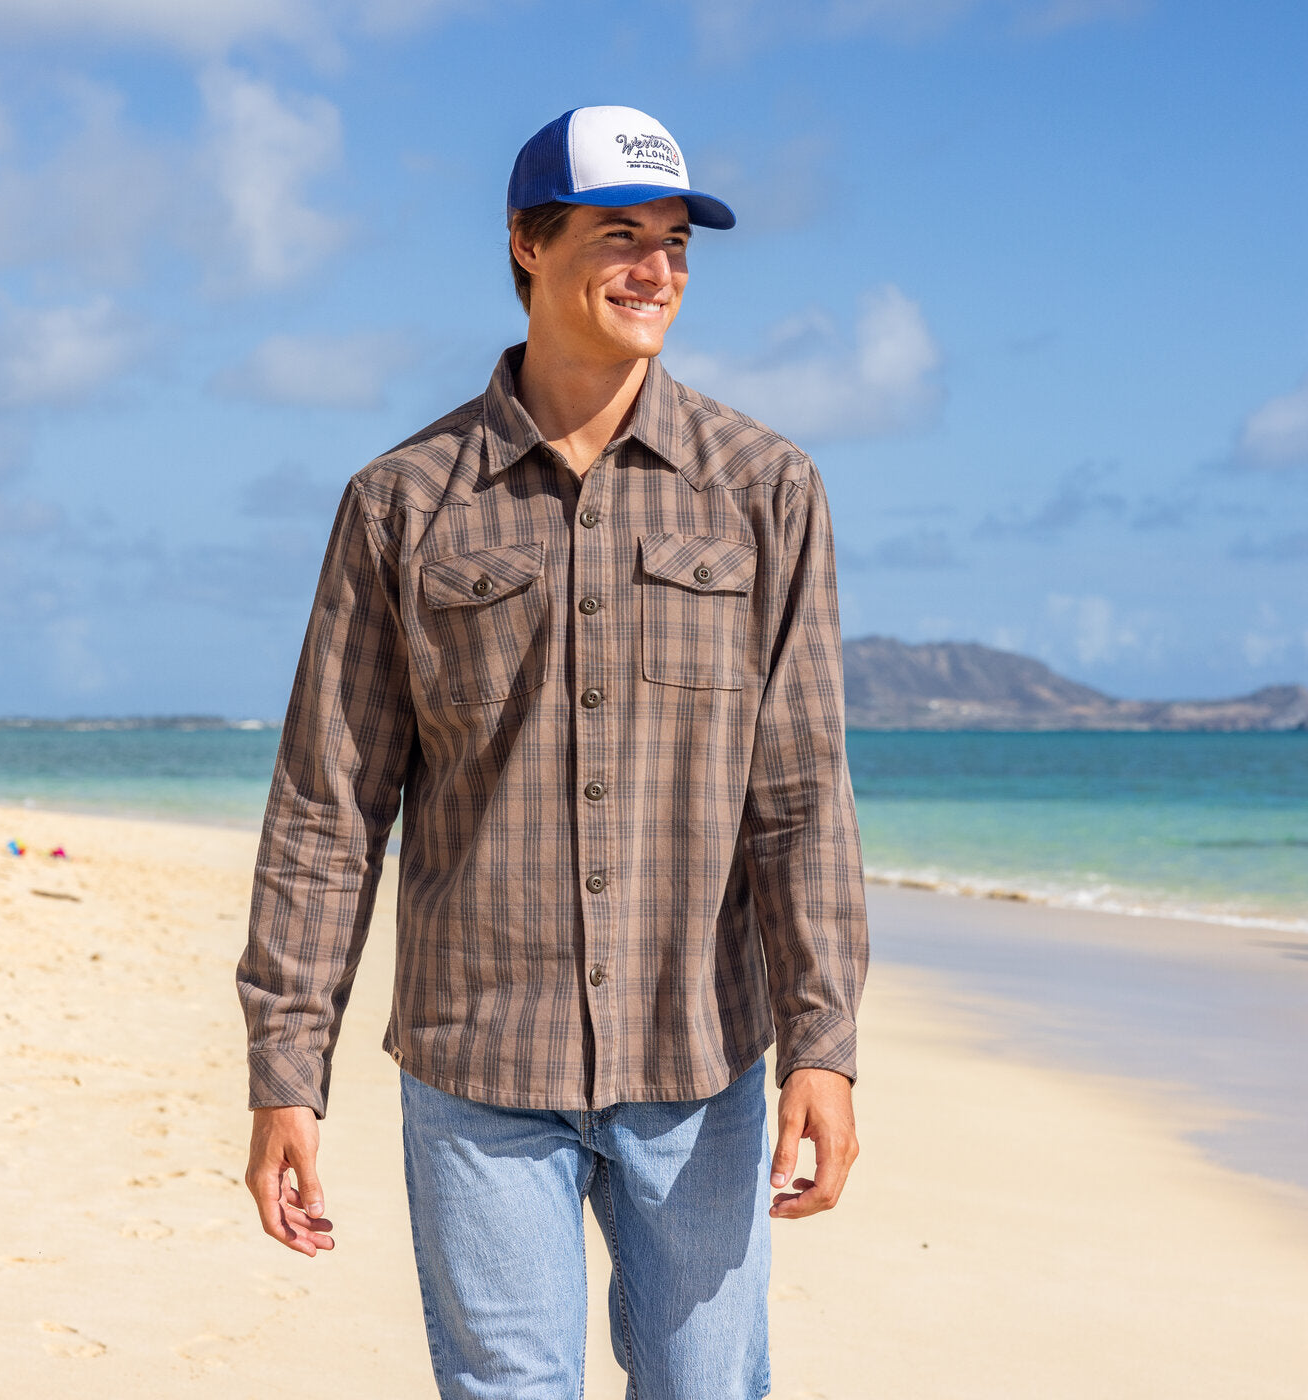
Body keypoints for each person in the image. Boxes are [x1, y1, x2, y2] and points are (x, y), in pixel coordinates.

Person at [236, 103, 869, 1400]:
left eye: (679, 240)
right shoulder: (400, 503)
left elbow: (800, 796)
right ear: (527, 243)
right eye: (621, 234)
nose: (659, 270)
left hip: (697, 1062)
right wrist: (285, 1070)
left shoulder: (765, 491)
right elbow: (329, 806)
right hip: (480, 1067)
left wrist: (823, 1043)